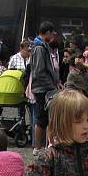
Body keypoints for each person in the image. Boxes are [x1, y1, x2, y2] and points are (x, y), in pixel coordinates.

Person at [29, 21, 61, 152]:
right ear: (47, 32)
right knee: (42, 118)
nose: (53, 36)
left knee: (47, 117)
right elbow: (39, 71)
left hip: (45, 87)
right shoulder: (39, 48)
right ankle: (37, 148)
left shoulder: (42, 46)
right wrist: (52, 86)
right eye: (52, 33)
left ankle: (48, 145)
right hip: (43, 89)